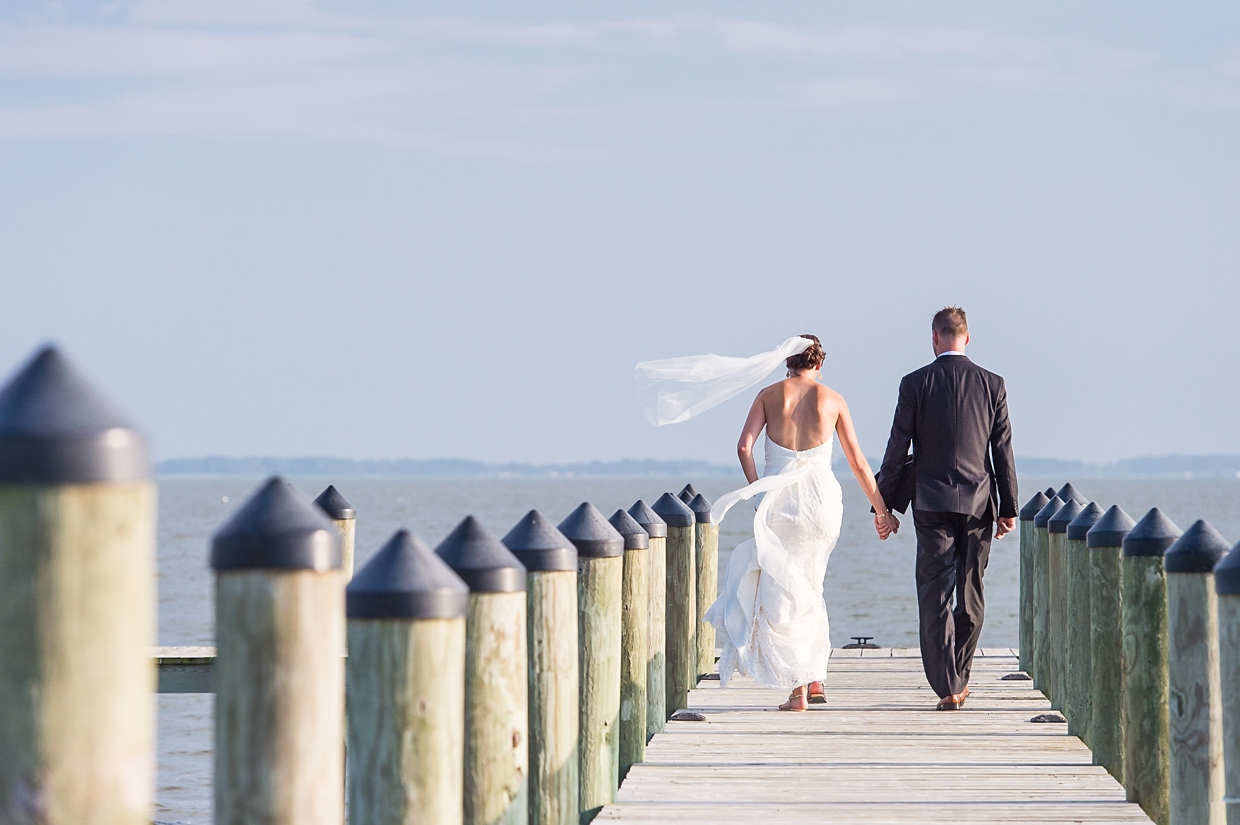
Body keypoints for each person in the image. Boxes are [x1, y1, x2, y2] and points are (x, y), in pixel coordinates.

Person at [700, 335, 896, 711]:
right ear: (819, 364)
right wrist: (882, 511)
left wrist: (759, 491)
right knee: (811, 585)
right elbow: (858, 463)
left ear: (785, 361)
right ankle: (814, 677)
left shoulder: (768, 395)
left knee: (785, 589)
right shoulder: (834, 400)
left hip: (780, 501)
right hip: (821, 502)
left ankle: (797, 689)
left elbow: (744, 446)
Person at [876, 307, 1018, 711]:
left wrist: (883, 505)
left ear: (934, 338)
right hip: (977, 504)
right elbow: (1002, 450)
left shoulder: (914, 383)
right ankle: (961, 675)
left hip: (931, 502)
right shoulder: (993, 384)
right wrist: (1008, 507)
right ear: (967, 338)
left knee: (935, 594)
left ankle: (948, 686)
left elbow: (896, 447)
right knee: (971, 593)